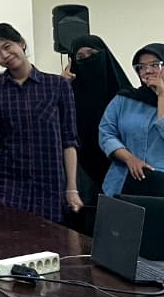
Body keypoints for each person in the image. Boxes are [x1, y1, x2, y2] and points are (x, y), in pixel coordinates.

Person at [0, 23, 81, 224]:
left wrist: (71, 188)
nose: (4, 55)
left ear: (21, 43)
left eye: (7, 46)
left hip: (47, 182)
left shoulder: (57, 85)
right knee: (5, 239)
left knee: (48, 238)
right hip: (3, 182)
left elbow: (69, 139)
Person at [68, 35, 131, 203]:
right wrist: (63, 85)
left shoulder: (126, 94)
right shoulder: (69, 95)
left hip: (122, 167)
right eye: (80, 57)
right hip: (82, 172)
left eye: (92, 54)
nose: (87, 59)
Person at [98, 43, 164, 197]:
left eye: (155, 65)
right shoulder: (124, 99)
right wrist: (130, 159)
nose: (148, 71)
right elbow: (106, 133)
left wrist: (161, 95)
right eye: (141, 67)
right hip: (122, 182)